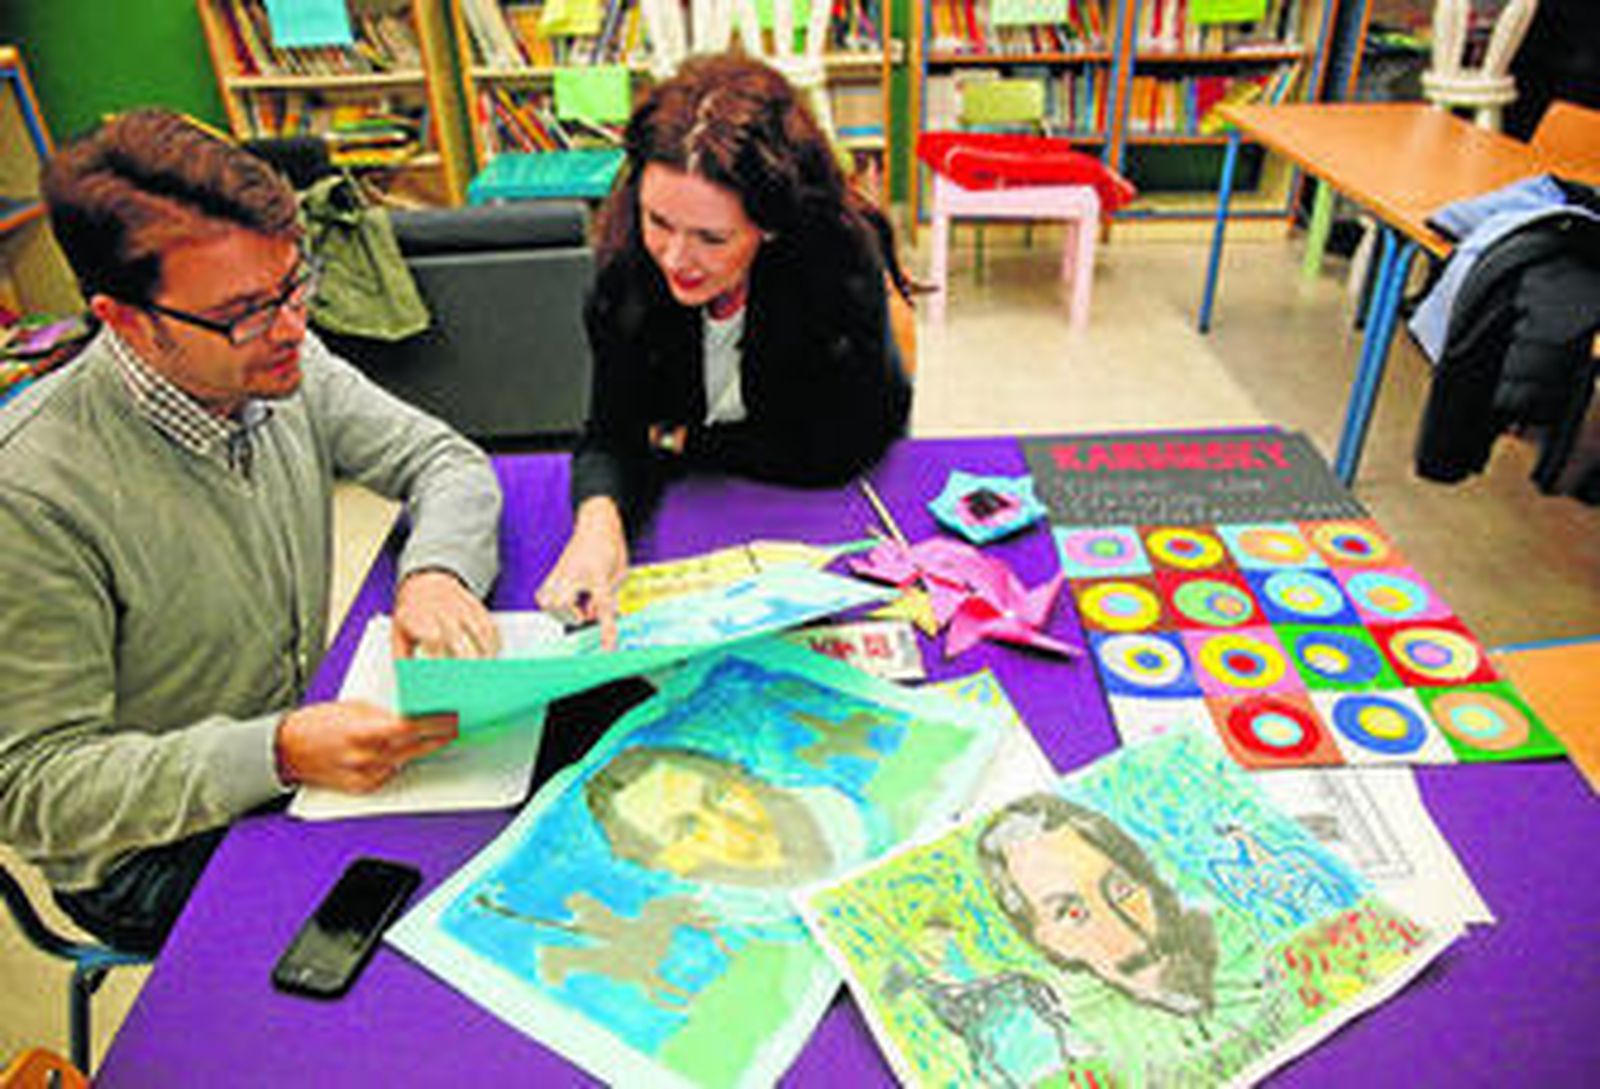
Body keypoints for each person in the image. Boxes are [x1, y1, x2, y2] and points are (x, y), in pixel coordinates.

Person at [0, 110, 503, 955]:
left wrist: (436, 573)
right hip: (149, 849)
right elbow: (36, 786)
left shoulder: (271, 354)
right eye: (243, 310)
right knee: (438, 932)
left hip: (290, 754)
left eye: (293, 285)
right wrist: (273, 751)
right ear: (125, 320)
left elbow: (443, 460)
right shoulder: (33, 494)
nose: (292, 327)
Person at [538, 54, 913, 645]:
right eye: (657, 220)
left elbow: (838, 449)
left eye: (712, 237)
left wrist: (679, 441)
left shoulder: (836, 264)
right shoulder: (626, 269)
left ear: (770, 225)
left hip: (822, 493)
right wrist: (598, 520)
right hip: (732, 483)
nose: (675, 259)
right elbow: (611, 430)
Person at [976, 794, 1218, 1017]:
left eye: (1122, 889)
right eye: (1072, 913)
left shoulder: (1226, 931)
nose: (1131, 936)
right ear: (1045, 942)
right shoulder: (1093, 1034)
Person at [584, 744, 865, 889]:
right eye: (688, 830)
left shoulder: (856, 805)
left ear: (738, 772)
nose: (734, 827)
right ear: (662, 865)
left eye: (719, 795)